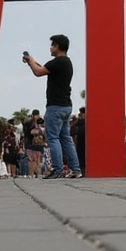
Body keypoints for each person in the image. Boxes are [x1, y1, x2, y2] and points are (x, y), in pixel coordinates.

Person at [23, 34, 83, 179]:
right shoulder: (66, 62)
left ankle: (57, 169)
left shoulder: (57, 62)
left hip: (55, 106)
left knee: (53, 138)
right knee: (66, 138)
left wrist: (31, 62)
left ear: (58, 46)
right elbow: (44, 68)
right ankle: (75, 169)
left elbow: (38, 72)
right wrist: (32, 61)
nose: (50, 48)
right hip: (66, 105)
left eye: (52, 45)